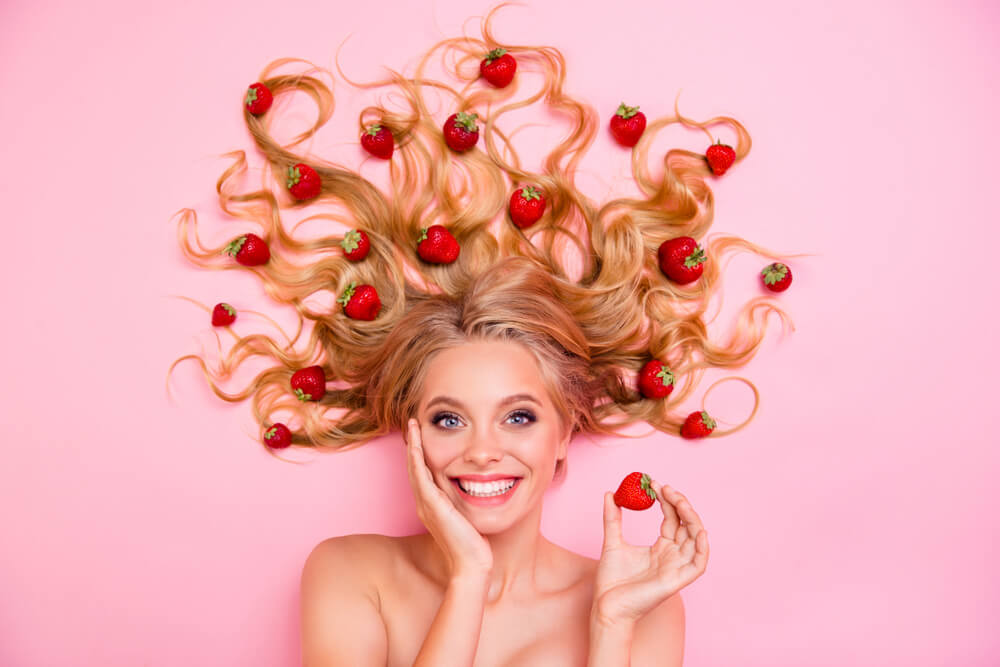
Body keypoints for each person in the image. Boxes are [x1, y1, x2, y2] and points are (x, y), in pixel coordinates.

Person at [170, 4, 793, 664]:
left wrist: (611, 628)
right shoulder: (349, 574)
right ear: (411, 435)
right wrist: (469, 577)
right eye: (447, 420)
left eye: (519, 415)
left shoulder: (643, 602)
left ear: (564, 434)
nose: (483, 451)